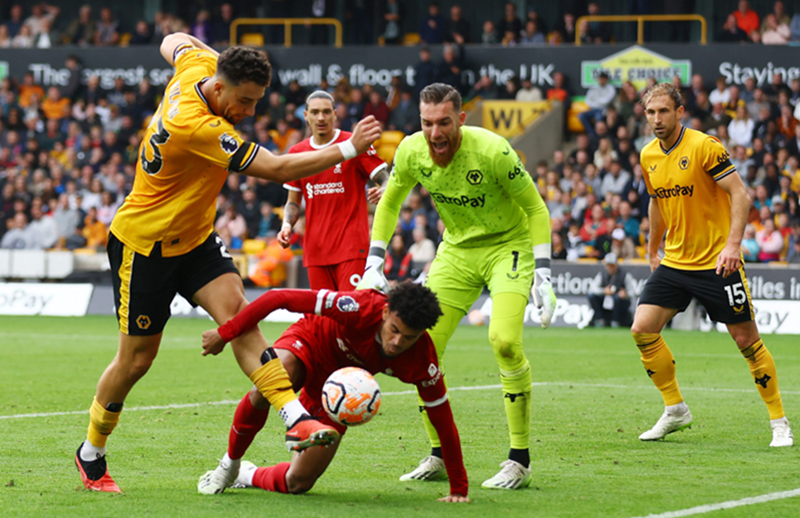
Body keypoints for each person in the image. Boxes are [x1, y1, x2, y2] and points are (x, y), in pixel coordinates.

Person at [73, 32, 382, 493]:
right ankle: (91, 450)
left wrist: (223, 60)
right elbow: (278, 169)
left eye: (256, 100)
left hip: (196, 238)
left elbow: (173, 40)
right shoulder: (198, 127)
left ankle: (294, 415)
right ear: (220, 89)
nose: (250, 111)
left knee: (239, 317)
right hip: (146, 246)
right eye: (245, 101)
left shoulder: (199, 66)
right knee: (136, 360)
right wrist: (350, 147)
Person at [357, 83, 556, 489]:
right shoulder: (411, 150)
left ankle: (519, 460)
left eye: (444, 122)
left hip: (508, 247)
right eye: (427, 123)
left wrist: (545, 272)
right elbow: (390, 201)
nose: (435, 133)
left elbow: (536, 208)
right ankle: (440, 455)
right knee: (420, 346)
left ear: (461, 119)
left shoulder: (493, 150)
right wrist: (374, 260)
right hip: (457, 251)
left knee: (504, 341)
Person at [196, 283, 469, 502]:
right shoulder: (360, 306)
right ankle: (229, 464)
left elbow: (443, 420)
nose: (397, 342)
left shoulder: (422, 361)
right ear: (385, 312)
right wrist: (226, 333)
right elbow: (279, 297)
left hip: (338, 393)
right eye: (394, 331)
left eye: (408, 337)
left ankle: (246, 474)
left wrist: (459, 488)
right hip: (310, 342)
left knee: (298, 482)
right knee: (267, 386)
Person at [634, 83, 792, 447]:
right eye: (650, 112)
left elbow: (741, 194)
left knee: (746, 340)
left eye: (663, 111)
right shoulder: (648, 155)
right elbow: (657, 202)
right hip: (676, 261)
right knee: (642, 329)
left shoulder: (705, 146)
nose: (657, 119)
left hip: (717, 262)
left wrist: (733, 245)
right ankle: (675, 409)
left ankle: (779, 421)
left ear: (679, 112)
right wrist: (653, 249)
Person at [278, 91, 388, 290]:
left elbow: (385, 178)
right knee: (323, 311)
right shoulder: (297, 153)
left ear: (335, 115)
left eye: (326, 112)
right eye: (315, 112)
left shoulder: (354, 143)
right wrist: (286, 225)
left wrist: (384, 189)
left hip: (351, 248)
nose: (321, 118)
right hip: (315, 251)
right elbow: (293, 201)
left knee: (350, 307)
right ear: (306, 116)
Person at [588, 252, 633, 327]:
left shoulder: (625, 275)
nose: (610, 267)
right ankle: (599, 319)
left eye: (612, 265)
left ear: (616, 265)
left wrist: (625, 294)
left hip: (620, 303)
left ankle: (616, 321)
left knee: (618, 299)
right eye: (609, 265)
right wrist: (604, 291)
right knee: (592, 296)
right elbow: (592, 289)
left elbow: (632, 292)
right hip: (605, 301)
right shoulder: (601, 275)